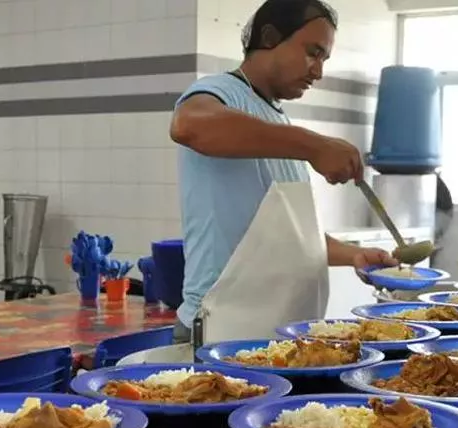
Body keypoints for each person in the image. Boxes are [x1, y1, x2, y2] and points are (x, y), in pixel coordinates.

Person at [168, 0, 397, 344]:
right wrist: (313, 146)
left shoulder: (277, 122)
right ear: (271, 37)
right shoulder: (222, 92)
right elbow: (188, 126)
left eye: (324, 59)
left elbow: (290, 236)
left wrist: (353, 255)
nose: (318, 71)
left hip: (278, 335)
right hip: (224, 331)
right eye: (312, 52)